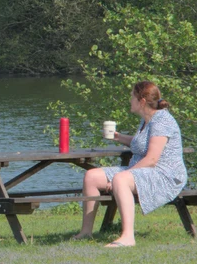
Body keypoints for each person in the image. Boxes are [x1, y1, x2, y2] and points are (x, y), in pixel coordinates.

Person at [76, 80, 186, 247]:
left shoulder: (162, 121)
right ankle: (85, 232)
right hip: (142, 171)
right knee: (91, 176)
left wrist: (121, 176)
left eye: (132, 96)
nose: (129, 100)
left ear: (142, 101)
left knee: (120, 179)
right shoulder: (147, 120)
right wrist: (119, 137)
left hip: (164, 175)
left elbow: (151, 160)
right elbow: (141, 143)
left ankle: (127, 237)